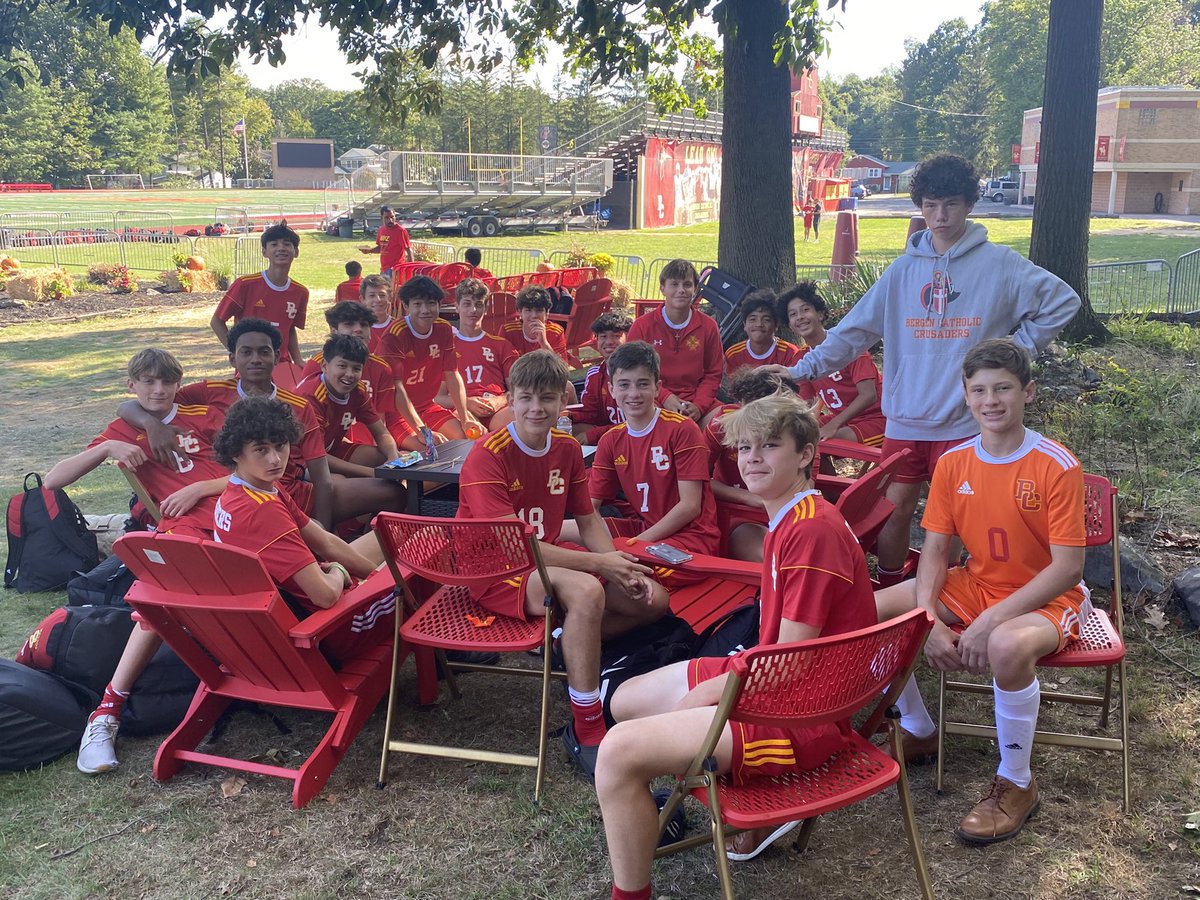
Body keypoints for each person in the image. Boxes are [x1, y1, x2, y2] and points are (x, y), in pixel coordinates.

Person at [594, 391, 878, 898]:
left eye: (769, 446)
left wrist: (708, 694)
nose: (752, 459)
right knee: (624, 700)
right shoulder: (792, 517)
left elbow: (789, 664)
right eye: (745, 448)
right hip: (774, 681)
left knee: (615, 752)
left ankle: (632, 891)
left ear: (807, 453)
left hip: (799, 716)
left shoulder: (812, 532)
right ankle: (706, 772)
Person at [769, 153, 1080, 588]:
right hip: (906, 417)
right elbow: (853, 332)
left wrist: (1014, 351)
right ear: (920, 205)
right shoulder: (901, 272)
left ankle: (948, 590)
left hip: (963, 421)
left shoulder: (1000, 265)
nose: (940, 216)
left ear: (970, 203)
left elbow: (1062, 301)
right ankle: (892, 585)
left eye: (951, 203)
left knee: (954, 517)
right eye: (931, 205)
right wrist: (802, 370)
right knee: (894, 510)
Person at [875, 339, 1088, 845]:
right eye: (979, 390)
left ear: (1028, 392)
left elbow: (1067, 568)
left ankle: (1016, 782)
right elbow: (933, 551)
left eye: (1003, 389)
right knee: (870, 613)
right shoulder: (953, 463)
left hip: (1046, 596)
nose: (991, 400)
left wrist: (991, 620)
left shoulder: (1056, 465)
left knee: (1005, 644)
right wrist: (927, 619)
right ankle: (919, 728)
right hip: (976, 583)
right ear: (966, 398)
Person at [457, 350, 669, 778]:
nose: (537, 408)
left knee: (653, 599)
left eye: (548, 398)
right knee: (587, 591)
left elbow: (588, 517)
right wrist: (600, 566)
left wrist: (616, 561)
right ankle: (587, 723)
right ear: (511, 400)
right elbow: (515, 547)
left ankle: (565, 640)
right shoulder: (487, 454)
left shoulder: (569, 448)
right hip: (496, 570)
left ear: (562, 402)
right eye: (527, 398)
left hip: (547, 559)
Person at [60, 348, 228, 775]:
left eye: (166, 381)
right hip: (183, 530)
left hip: (237, 513)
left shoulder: (201, 412)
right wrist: (109, 447)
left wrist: (201, 488)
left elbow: (252, 470)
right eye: (148, 382)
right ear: (132, 385)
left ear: (178, 382)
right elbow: (53, 480)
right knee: (156, 603)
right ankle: (106, 714)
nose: (159, 390)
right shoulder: (123, 428)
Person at [210, 396, 392, 663]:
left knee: (390, 540)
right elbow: (325, 596)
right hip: (328, 631)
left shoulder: (245, 491)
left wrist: (376, 578)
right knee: (423, 553)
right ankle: (447, 648)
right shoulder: (262, 511)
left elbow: (327, 543)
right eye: (261, 450)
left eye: (281, 446)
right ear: (236, 453)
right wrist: (341, 572)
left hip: (284, 626)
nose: (275, 460)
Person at [561, 342, 719, 583]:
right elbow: (590, 508)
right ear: (612, 389)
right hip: (643, 530)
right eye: (624, 385)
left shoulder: (681, 429)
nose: (633, 394)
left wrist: (632, 546)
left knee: (633, 573)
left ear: (657, 389)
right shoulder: (612, 439)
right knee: (558, 533)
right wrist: (610, 555)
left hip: (691, 540)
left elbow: (690, 507)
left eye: (642, 384)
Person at [298, 301, 427, 453]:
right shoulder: (317, 364)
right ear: (334, 331)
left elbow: (380, 421)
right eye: (349, 324)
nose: (358, 329)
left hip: (357, 443)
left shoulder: (381, 368)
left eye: (364, 325)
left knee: (406, 457)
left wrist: (390, 456)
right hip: (320, 447)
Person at [704, 367, 803, 562]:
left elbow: (805, 487)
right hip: (737, 516)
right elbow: (697, 479)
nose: (749, 418)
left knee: (796, 555)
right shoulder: (723, 423)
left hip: (784, 515)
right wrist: (749, 498)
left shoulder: (799, 430)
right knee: (773, 558)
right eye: (745, 409)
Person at [379, 275, 483, 441]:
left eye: (431, 303)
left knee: (466, 436)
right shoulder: (395, 335)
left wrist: (465, 418)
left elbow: (452, 374)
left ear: (439, 305)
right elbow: (396, 388)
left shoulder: (443, 328)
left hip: (427, 406)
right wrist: (421, 430)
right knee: (428, 449)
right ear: (406, 306)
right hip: (396, 412)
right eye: (418, 304)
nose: (425, 310)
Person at [780, 282, 885, 446]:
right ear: (789, 325)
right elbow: (807, 404)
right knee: (792, 435)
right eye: (793, 314)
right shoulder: (801, 358)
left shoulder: (849, 347)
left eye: (805, 310)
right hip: (843, 419)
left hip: (878, 418)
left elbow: (869, 395)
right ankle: (818, 473)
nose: (799, 317)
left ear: (820, 314)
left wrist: (833, 425)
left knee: (818, 442)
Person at [626, 259, 724, 425]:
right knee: (662, 424)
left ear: (695, 289)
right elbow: (633, 372)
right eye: (674, 284)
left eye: (687, 284)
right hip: (655, 398)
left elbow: (713, 374)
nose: (681, 290)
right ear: (662, 288)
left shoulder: (708, 326)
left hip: (697, 400)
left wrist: (699, 406)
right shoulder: (642, 326)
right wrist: (664, 396)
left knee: (729, 421)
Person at [298, 334, 401, 477]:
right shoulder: (311, 398)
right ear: (324, 366)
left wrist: (393, 458)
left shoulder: (357, 390)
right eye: (342, 366)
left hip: (332, 450)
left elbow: (381, 432)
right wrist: (374, 473)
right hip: (303, 462)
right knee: (357, 483)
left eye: (356, 369)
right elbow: (316, 456)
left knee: (403, 458)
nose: (349, 374)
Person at [210, 223, 308, 366]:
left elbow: (290, 328)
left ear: (296, 251)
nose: (281, 248)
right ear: (264, 252)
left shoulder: (300, 292)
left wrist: (298, 360)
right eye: (274, 244)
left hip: (282, 366)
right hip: (252, 365)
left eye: (287, 244)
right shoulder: (245, 284)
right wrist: (238, 353)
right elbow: (217, 321)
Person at [437, 277, 519, 432]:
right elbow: (437, 398)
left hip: (497, 408)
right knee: (464, 426)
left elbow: (518, 389)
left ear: (486, 308)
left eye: (478, 305)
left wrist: (500, 400)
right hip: (464, 410)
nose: (473, 310)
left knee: (522, 416)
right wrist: (466, 402)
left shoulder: (501, 345)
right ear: (456, 307)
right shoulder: (445, 348)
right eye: (467, 304)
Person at [723, 290, 801, 373]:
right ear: (744, 325)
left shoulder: (789, 353)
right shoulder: (733, 354)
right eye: (753, 319)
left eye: (766, 320)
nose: (759, 324)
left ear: (776, 325)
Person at [361, 205, 411, 273]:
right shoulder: (381, 230)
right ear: (382, 218)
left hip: (396, 269)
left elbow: (409, 250)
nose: (390, 220)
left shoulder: (400, 231)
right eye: (387, 217)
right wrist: (369, 251)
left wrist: (410, 270)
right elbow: (381, 248)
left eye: (392, 217)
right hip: (384, 269)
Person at [360, 274, 395, 354]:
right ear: (362, 299)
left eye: (382, 295)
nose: (378, 300)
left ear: (390, 298)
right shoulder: (357, 329)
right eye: (372, 295)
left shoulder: (396, 327)